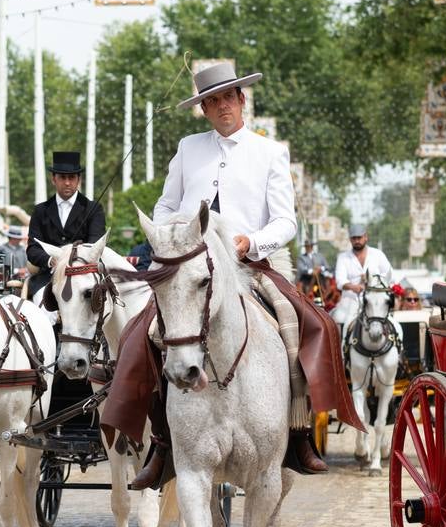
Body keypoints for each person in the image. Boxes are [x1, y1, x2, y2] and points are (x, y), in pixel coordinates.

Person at [101, 61, 357, 487]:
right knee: (140, 333)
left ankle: (297, 434)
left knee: (310, 325)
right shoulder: (188, 148)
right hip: (190, 266)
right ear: (203, 109)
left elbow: (286, 222)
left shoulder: (270, 152)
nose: (221, 106)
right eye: (211, 100)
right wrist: (177, 234)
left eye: (227, 97)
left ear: (242, 100)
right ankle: (161, 441)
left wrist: (249, 243)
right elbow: (164, 207)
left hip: (253, 265)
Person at [26, 151, 106, 299]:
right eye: (62, 177)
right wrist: (50, 260)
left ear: (78, 180)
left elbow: (95, 246)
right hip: (47, 279)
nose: (67, 182)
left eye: (71, 177)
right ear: (53, 179)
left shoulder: (93, 209)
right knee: (41, 306)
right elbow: (32, 249)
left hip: (82, 279)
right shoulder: (40, 211)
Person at [330, 224, 394, 346]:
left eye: (359, 237)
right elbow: (340, 281)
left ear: (366, 237)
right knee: (339, 318)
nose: (357, 241)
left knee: (392, 322)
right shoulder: (343, 258)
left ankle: (397, 349)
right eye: (354, 238)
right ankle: (341, 352)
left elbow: (390, 276)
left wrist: (373, 281)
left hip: (375, 301)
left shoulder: (377, 254)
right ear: (350, 239)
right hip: (351, 300)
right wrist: (354, 287)